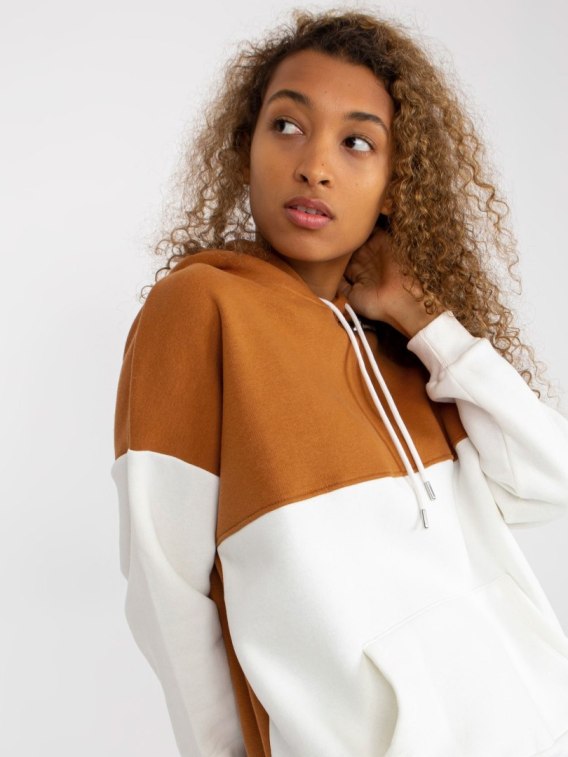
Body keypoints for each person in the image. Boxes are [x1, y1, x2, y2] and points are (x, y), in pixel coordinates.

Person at [110, 9, 568, 757]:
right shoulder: (201, 308)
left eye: (357, 142)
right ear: (246, 149)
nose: (314, 165)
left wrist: (425, 320)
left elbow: (549, 480)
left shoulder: (414, 353)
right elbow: (166, 595)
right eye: (287, 126)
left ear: (394, 185)